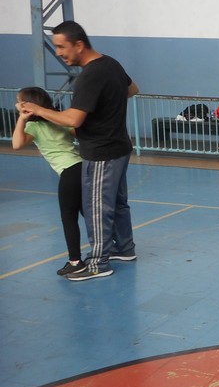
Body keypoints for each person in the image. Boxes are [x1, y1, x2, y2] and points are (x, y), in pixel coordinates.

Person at [18, 20, 138, 281]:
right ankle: (124, 248)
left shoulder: (89, 76)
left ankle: (98, 264)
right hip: (120, 146)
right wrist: (107, 105)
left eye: (62, 47)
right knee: (118, 203)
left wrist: (38, 110)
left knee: (97, 208)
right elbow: (132, 89)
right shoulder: (111, 64)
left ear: (79, 45)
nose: (59, 53)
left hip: (101, 152)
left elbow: (73, 119)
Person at [12, 86, 85, 276]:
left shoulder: (33, 127)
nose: (17, 105)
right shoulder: (58, 119)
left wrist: (21, 118)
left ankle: (76, 262)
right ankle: (108, 249)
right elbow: (79, 133)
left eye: (19, 102)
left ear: (28, 105)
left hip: (69, 172)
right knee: (88, 213)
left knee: (68, 217)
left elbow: (16, 144)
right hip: (82, 168)